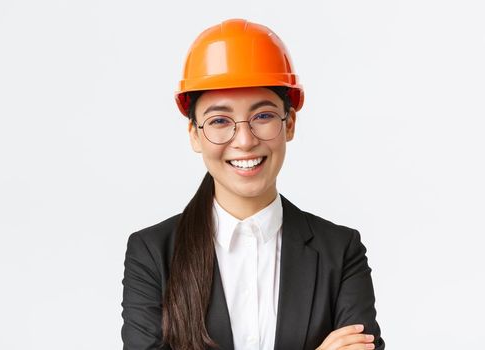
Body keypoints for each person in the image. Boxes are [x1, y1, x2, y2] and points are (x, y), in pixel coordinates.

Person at [120, 19, 384, 350]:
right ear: (195, 135)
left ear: (289, 124)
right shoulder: (153, 254)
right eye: (219, 121)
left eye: (263, 116)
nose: (244, 140)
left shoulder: (340, 252)